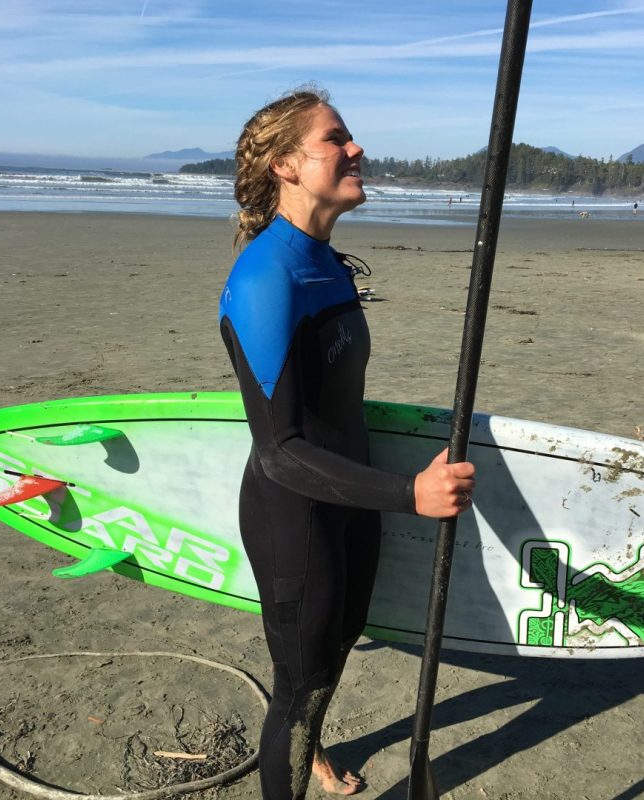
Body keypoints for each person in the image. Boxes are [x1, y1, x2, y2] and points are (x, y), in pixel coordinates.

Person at [219, 87, 476, 800]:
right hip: (294, 515)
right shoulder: (268, 276)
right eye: (337, 139)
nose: (357, 148)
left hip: (349, 499)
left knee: (330, 656)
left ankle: (315, 749)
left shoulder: (325, 260)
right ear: (286, 166)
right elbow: (280, 449)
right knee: (300, 688)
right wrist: (408, 494)